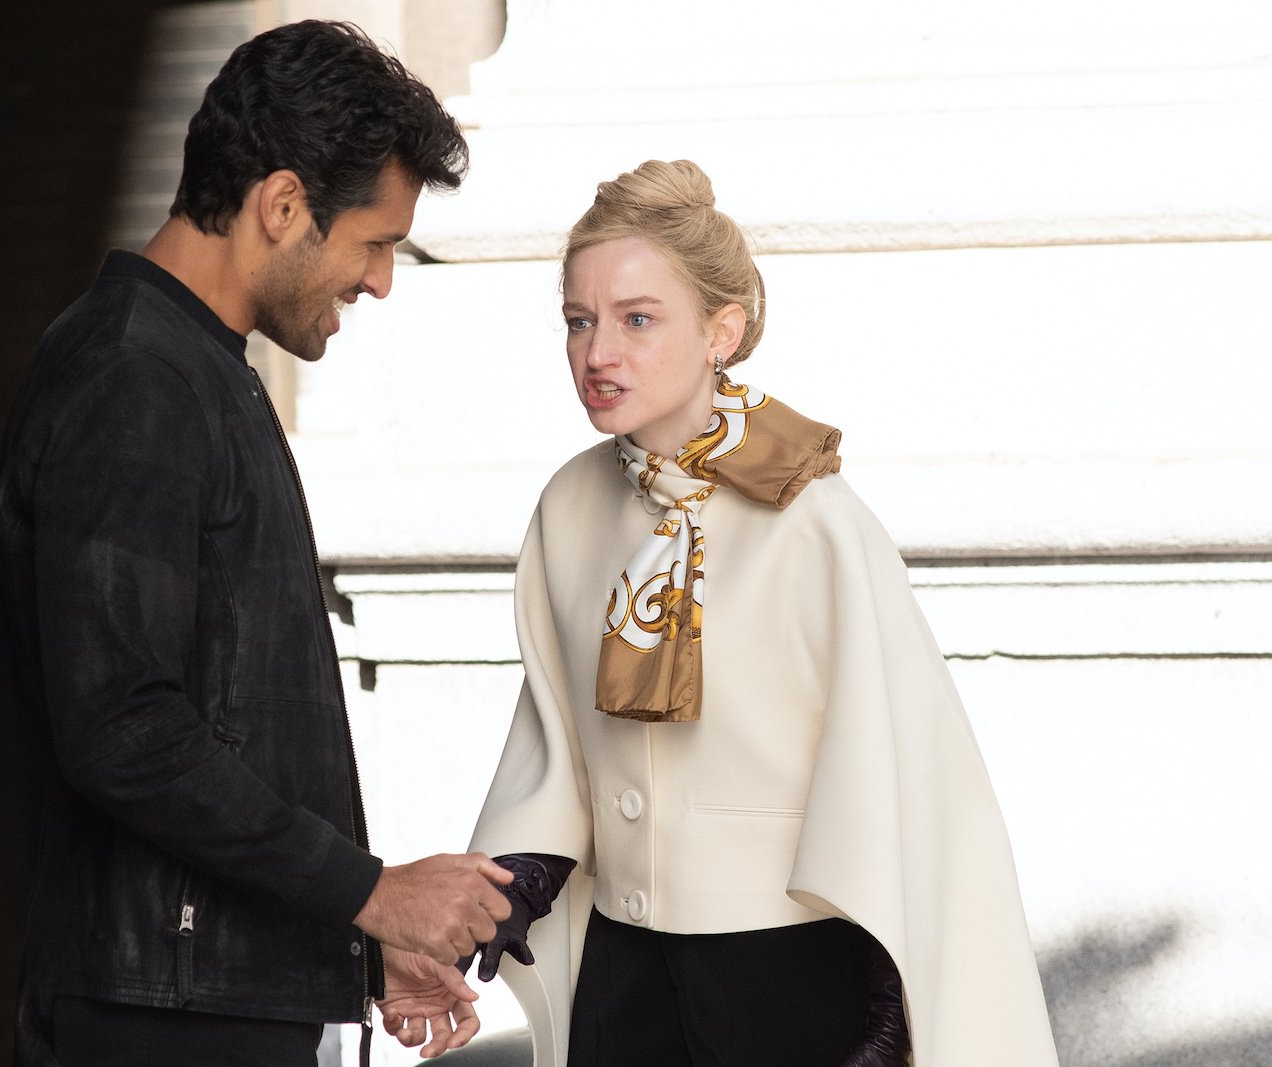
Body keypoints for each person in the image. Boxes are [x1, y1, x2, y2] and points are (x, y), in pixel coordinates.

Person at [389, 160, 1060, 1065]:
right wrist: (517, 878)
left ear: (723, 331)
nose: (598, 352)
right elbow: (555, 736)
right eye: (579, 320)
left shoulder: (814, 516)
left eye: (637, 318)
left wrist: (887, 996)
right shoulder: (568, 507)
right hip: (623, 978)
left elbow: (894, 760)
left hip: (791, 978)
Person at [0, 21, 513, 1067]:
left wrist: (352, 943)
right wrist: (371, 891)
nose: (381, 280)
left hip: (192, 1004)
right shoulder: (135, 378)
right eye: (374, 241)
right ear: (281, 204)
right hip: (152, 1024)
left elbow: (226, 727)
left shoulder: (191, 365)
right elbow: (123, 728)